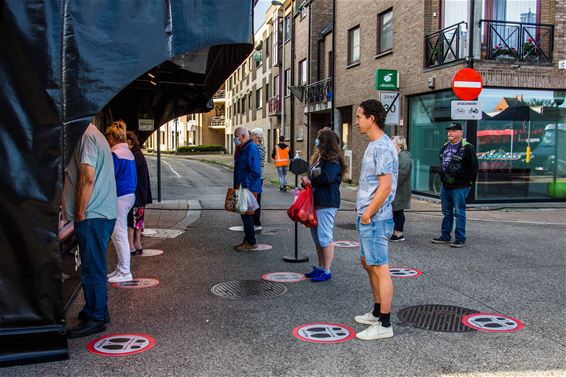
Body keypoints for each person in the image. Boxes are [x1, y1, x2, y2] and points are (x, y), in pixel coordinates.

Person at [62, 122, 117, 338]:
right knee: (94, 265)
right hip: (100, 213)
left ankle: (96, 316)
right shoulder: (97, 135)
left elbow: (87, 177)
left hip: (93, 215)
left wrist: (80, 212)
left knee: (92, 267)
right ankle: (97, 311)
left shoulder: (86, 137)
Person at [354, 99, 398, 341]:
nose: (357, 121)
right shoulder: (374, 144)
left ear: (372, 118)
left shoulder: (382, 147)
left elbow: (385, 187)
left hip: (376, 218)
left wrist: (369, 213)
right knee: (368, 263)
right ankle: (376, 311)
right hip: (367, 215)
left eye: (360, 116)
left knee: (380, 267)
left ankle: (385, 322)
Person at [301, 128, 345, 282]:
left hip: (326, 202)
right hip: (317, 201)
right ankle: (320, 267)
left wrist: (311, 181)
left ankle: (326, 270)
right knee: (317, 238)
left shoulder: (332, 159)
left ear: (325, 141)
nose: (316, 141)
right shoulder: (321, 158)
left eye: (318, 138)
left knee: (325, 237)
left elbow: (327, 177)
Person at [431, 122, 478, 248]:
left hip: (460, 187)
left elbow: (474, 167)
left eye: (453, 130)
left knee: (459, 212)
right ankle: (445, 236)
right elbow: (442, 161)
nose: (450, 133)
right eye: (449, 131)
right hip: (445, 186)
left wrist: (469, 184)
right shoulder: (445, 146)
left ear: (460, 133)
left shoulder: (467, 147)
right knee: (447, 212)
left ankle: (460, 238)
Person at [105, 121, 137, 282]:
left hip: (120, 197)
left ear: (112, 137)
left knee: (119, 234)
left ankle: (124, 271)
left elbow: (109, 177)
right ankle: (121, 268)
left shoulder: (115, 154)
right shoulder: (127, 152)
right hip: (128, 195)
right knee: (120, 233)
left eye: (108, 137)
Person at [233, 127, 262, 251]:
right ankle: (247, 240)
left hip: (248, 187)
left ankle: (251, 242)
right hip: (243, 187)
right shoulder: (243, 148)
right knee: (243, 214)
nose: (235, 139)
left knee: (247, 215)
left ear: (243, 136)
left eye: (236, 136)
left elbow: (256, 171)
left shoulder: (251, 148)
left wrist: (245, 184)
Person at [126, 131, 152, 256]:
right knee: (139, 220)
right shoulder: (139, 154)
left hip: (135, 192)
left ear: (129, 142)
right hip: (142, 192)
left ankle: (131, 245)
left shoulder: (132, 155)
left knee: (131, 219)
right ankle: (138, 244)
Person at [390, 136, 413, 242]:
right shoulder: (397, 155)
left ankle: (399, 234)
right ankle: (396, 232)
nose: (390, 145)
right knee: (395, 211)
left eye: (392, 143)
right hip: (396, 189)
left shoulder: (404, 157)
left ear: (399, 145)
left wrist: (391, 186)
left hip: (401, 190)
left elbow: (402, 174)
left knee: (398, 211)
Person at [250, 128, 266, 231]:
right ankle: (254, 221)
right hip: (256, 176)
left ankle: (256, 222)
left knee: (256, 200)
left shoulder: (259, 147)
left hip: (257, 177)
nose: (251, 137)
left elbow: (257, 161)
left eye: (253, 135)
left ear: (257, 137)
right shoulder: (256, 146)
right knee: (253, 199)